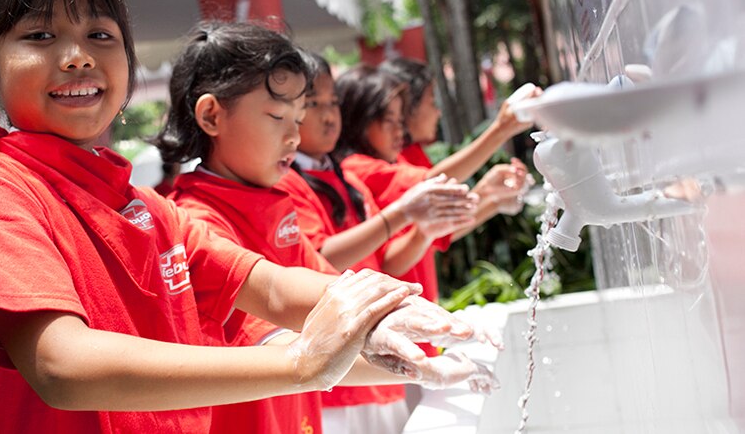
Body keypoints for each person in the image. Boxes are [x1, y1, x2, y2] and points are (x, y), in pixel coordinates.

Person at [0, 0, 480, 432]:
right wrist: (301, 361)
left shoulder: (144, 205)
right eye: (39, 35)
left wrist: (396, 316)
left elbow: (278, 289)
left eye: (100, 34)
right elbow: (60, 365)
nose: (77, 57)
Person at [155, 21, 499, 433]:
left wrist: (422, 359)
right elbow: (287, 336)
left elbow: (335, 310)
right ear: (212, 115)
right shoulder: (194, 220)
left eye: (298, 118)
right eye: (278, 115)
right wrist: (421, 365)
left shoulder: (276, 201)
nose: (294, 136)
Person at [277, 52, 480, 433]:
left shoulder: (347, 182)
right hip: (336, 382)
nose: (327, 115)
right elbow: (321, 260)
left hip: (374, 366)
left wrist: (421, 229)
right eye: (311, 104)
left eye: (333, 102)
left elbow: (388, 263)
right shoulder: (290, 183)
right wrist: (401, 215)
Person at [336, 65, 533, 301]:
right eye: (431, 102)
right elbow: (431, 186)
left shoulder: (391, 159)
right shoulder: (358, 168)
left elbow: (430, 231)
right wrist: (500, 129)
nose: (400, 129)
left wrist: (490, 197)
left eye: (400, 119)